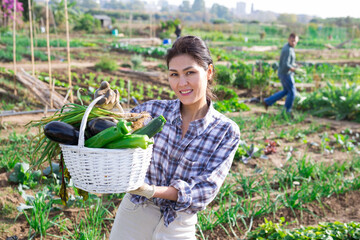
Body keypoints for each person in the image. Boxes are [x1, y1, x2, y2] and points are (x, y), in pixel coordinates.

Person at [109, 36, 241, 239]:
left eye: (190, 73)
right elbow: (113, 131)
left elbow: (204, 190)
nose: (182, 83)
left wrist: (150, 189)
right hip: (134, 214)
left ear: (209, 72)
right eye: (174, 74)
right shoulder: (151, 111)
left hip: (178, 224)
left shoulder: (225, 131)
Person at [263, 33, 299, 114]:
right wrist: (293, 69)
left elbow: (289, 62)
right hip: (286, 74)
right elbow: (286, 64)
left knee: (286, 91)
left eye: (295, 41)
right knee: (292, 92)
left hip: (284, 73)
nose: (293, 43)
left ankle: (267, 101)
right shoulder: (288, 50)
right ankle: (287, 111)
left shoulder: (289, 47)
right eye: (292, 41)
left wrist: (295, 65)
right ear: (288, 39)